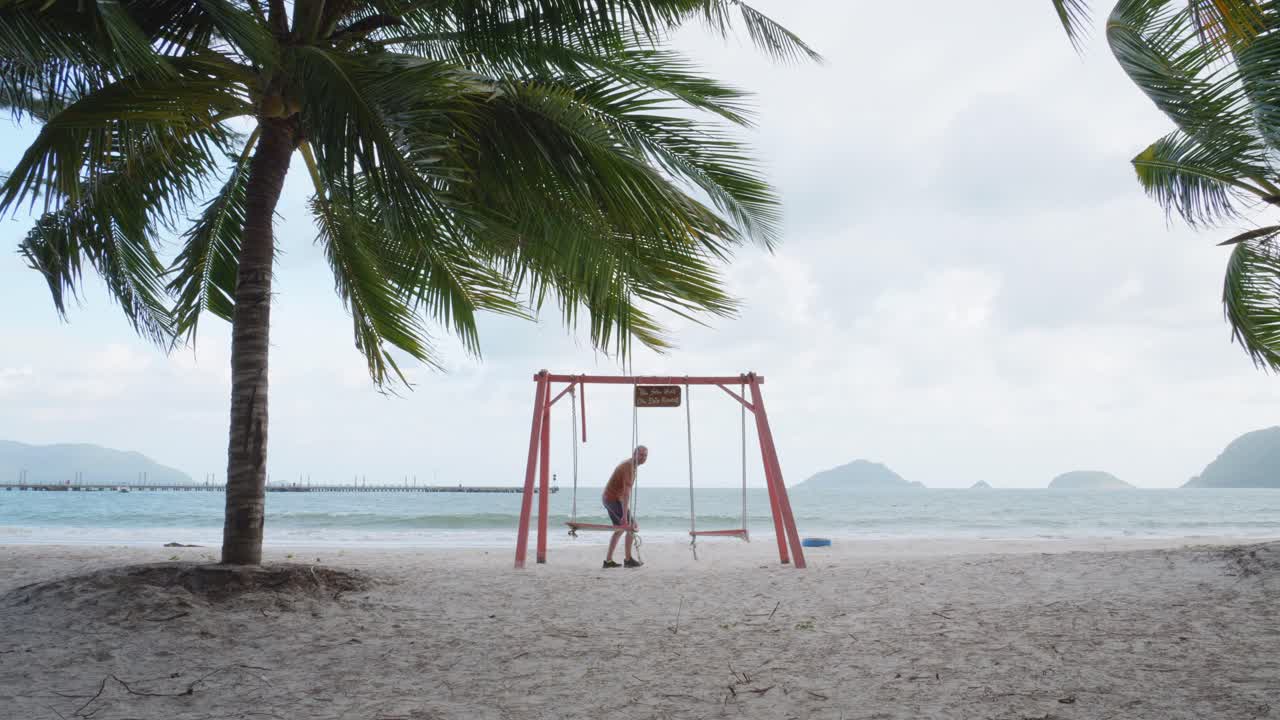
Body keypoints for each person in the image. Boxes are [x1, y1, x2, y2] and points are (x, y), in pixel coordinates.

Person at [602, 445, 647, 569]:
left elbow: (624, 493)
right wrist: (624, 516)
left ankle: (608, 561)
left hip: (615, 499)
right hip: (611, 499)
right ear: (634, 454)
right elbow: (626, 493)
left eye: (645, 455)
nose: (643, 458)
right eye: (641, 454)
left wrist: (624, 514)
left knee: (621, 529)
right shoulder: (628, 467)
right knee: (631, 526)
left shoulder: (632, 466)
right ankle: (628, 560)